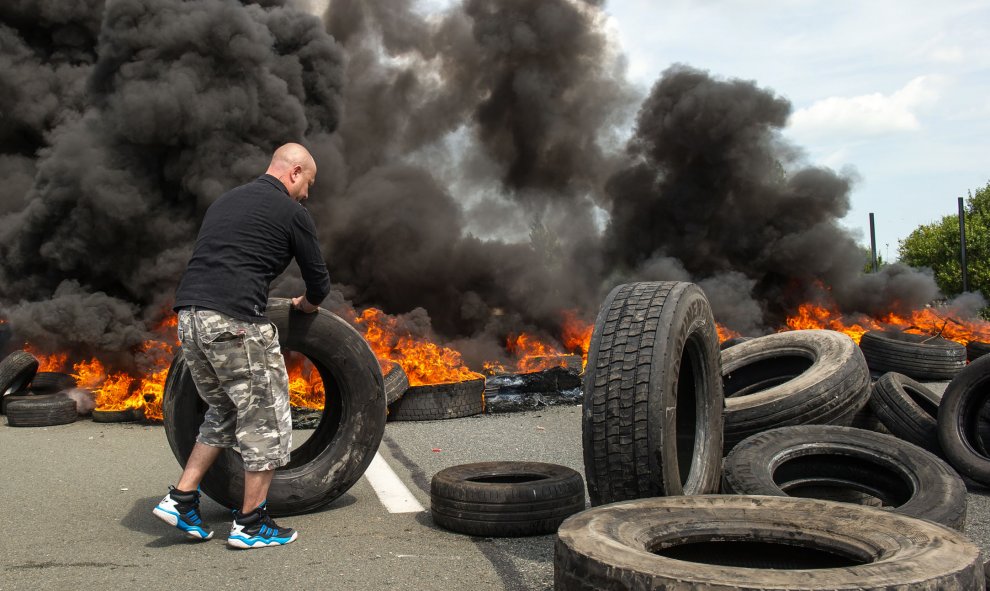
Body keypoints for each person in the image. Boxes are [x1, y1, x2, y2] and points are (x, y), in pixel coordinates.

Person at [153, 143, 331, 549]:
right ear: (295, 171)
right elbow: (319, 283)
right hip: (234, 323)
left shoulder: (226, 201)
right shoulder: (292, 212)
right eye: (309, 183)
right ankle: (250, 524)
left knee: (224, 412)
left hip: (189, 321)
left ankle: (181, 499)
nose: (308, 193)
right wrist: (304, 306)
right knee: (265, 420)